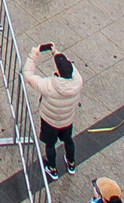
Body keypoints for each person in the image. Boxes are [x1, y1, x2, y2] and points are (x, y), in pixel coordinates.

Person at [23, 43, 84, 181]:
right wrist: (56, 52)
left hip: (49, 121)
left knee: (50, 145)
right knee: (68, 141)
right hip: (67, 120)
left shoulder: (49, 86)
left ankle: (52, 169)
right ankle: (71, 164)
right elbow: (69, 67)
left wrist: (34, 54)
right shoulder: (78, 81)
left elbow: (28, 75)